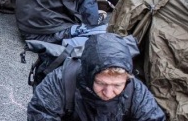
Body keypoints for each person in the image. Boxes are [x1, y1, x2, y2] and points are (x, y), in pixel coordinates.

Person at [26, 31, 164, 121]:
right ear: (88, 74)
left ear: (127, 78)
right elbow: (41, 115)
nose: (109, 93)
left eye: (117, 85)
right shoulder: (60, 81)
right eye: (101, 83)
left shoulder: (135, 90)